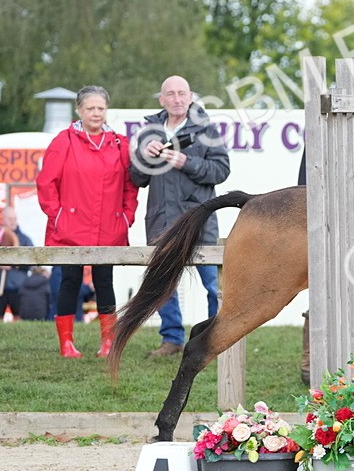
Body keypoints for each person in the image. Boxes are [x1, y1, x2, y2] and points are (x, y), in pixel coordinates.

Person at [130, 76, 230, 359]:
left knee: (214, 285)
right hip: (161, 222)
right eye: (170, 94)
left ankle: (216, 340)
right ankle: (171, 339)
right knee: (163, 285)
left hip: (199, 222)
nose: (176, 98)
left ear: (190, 97)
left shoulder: (207, 129)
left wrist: (186, 162)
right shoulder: (149, 132)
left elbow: (221, 171)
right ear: (161, 99)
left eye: (181, 93)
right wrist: (143, 157)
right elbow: (136, 177)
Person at [36, 85, 138, 358]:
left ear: (107, 110)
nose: (96, 113)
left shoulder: (119, 143)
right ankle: (66, 343)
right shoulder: (63, 141)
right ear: (79, 110)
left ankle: (108, 343)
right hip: (70, 227)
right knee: (69, 280)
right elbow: (46, 183)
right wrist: (56, 215)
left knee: (105, 281)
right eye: (90, 108)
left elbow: (131, 186)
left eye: (101, 108)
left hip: (108, 226)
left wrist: (127, 216)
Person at [298, 74, 354, 384]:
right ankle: (310, 361)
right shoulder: (321, 131)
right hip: (327, 223)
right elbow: (305, 183)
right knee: (322, 292)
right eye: (350, 92)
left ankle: (351, 361)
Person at [0, 205, 33, 320]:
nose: (13, 221)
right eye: (10, 219)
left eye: (14, 218)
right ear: (3, 219)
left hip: (18, 287)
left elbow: (30, 261)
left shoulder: (24, 239)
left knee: (19, 317)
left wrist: (13, 264)